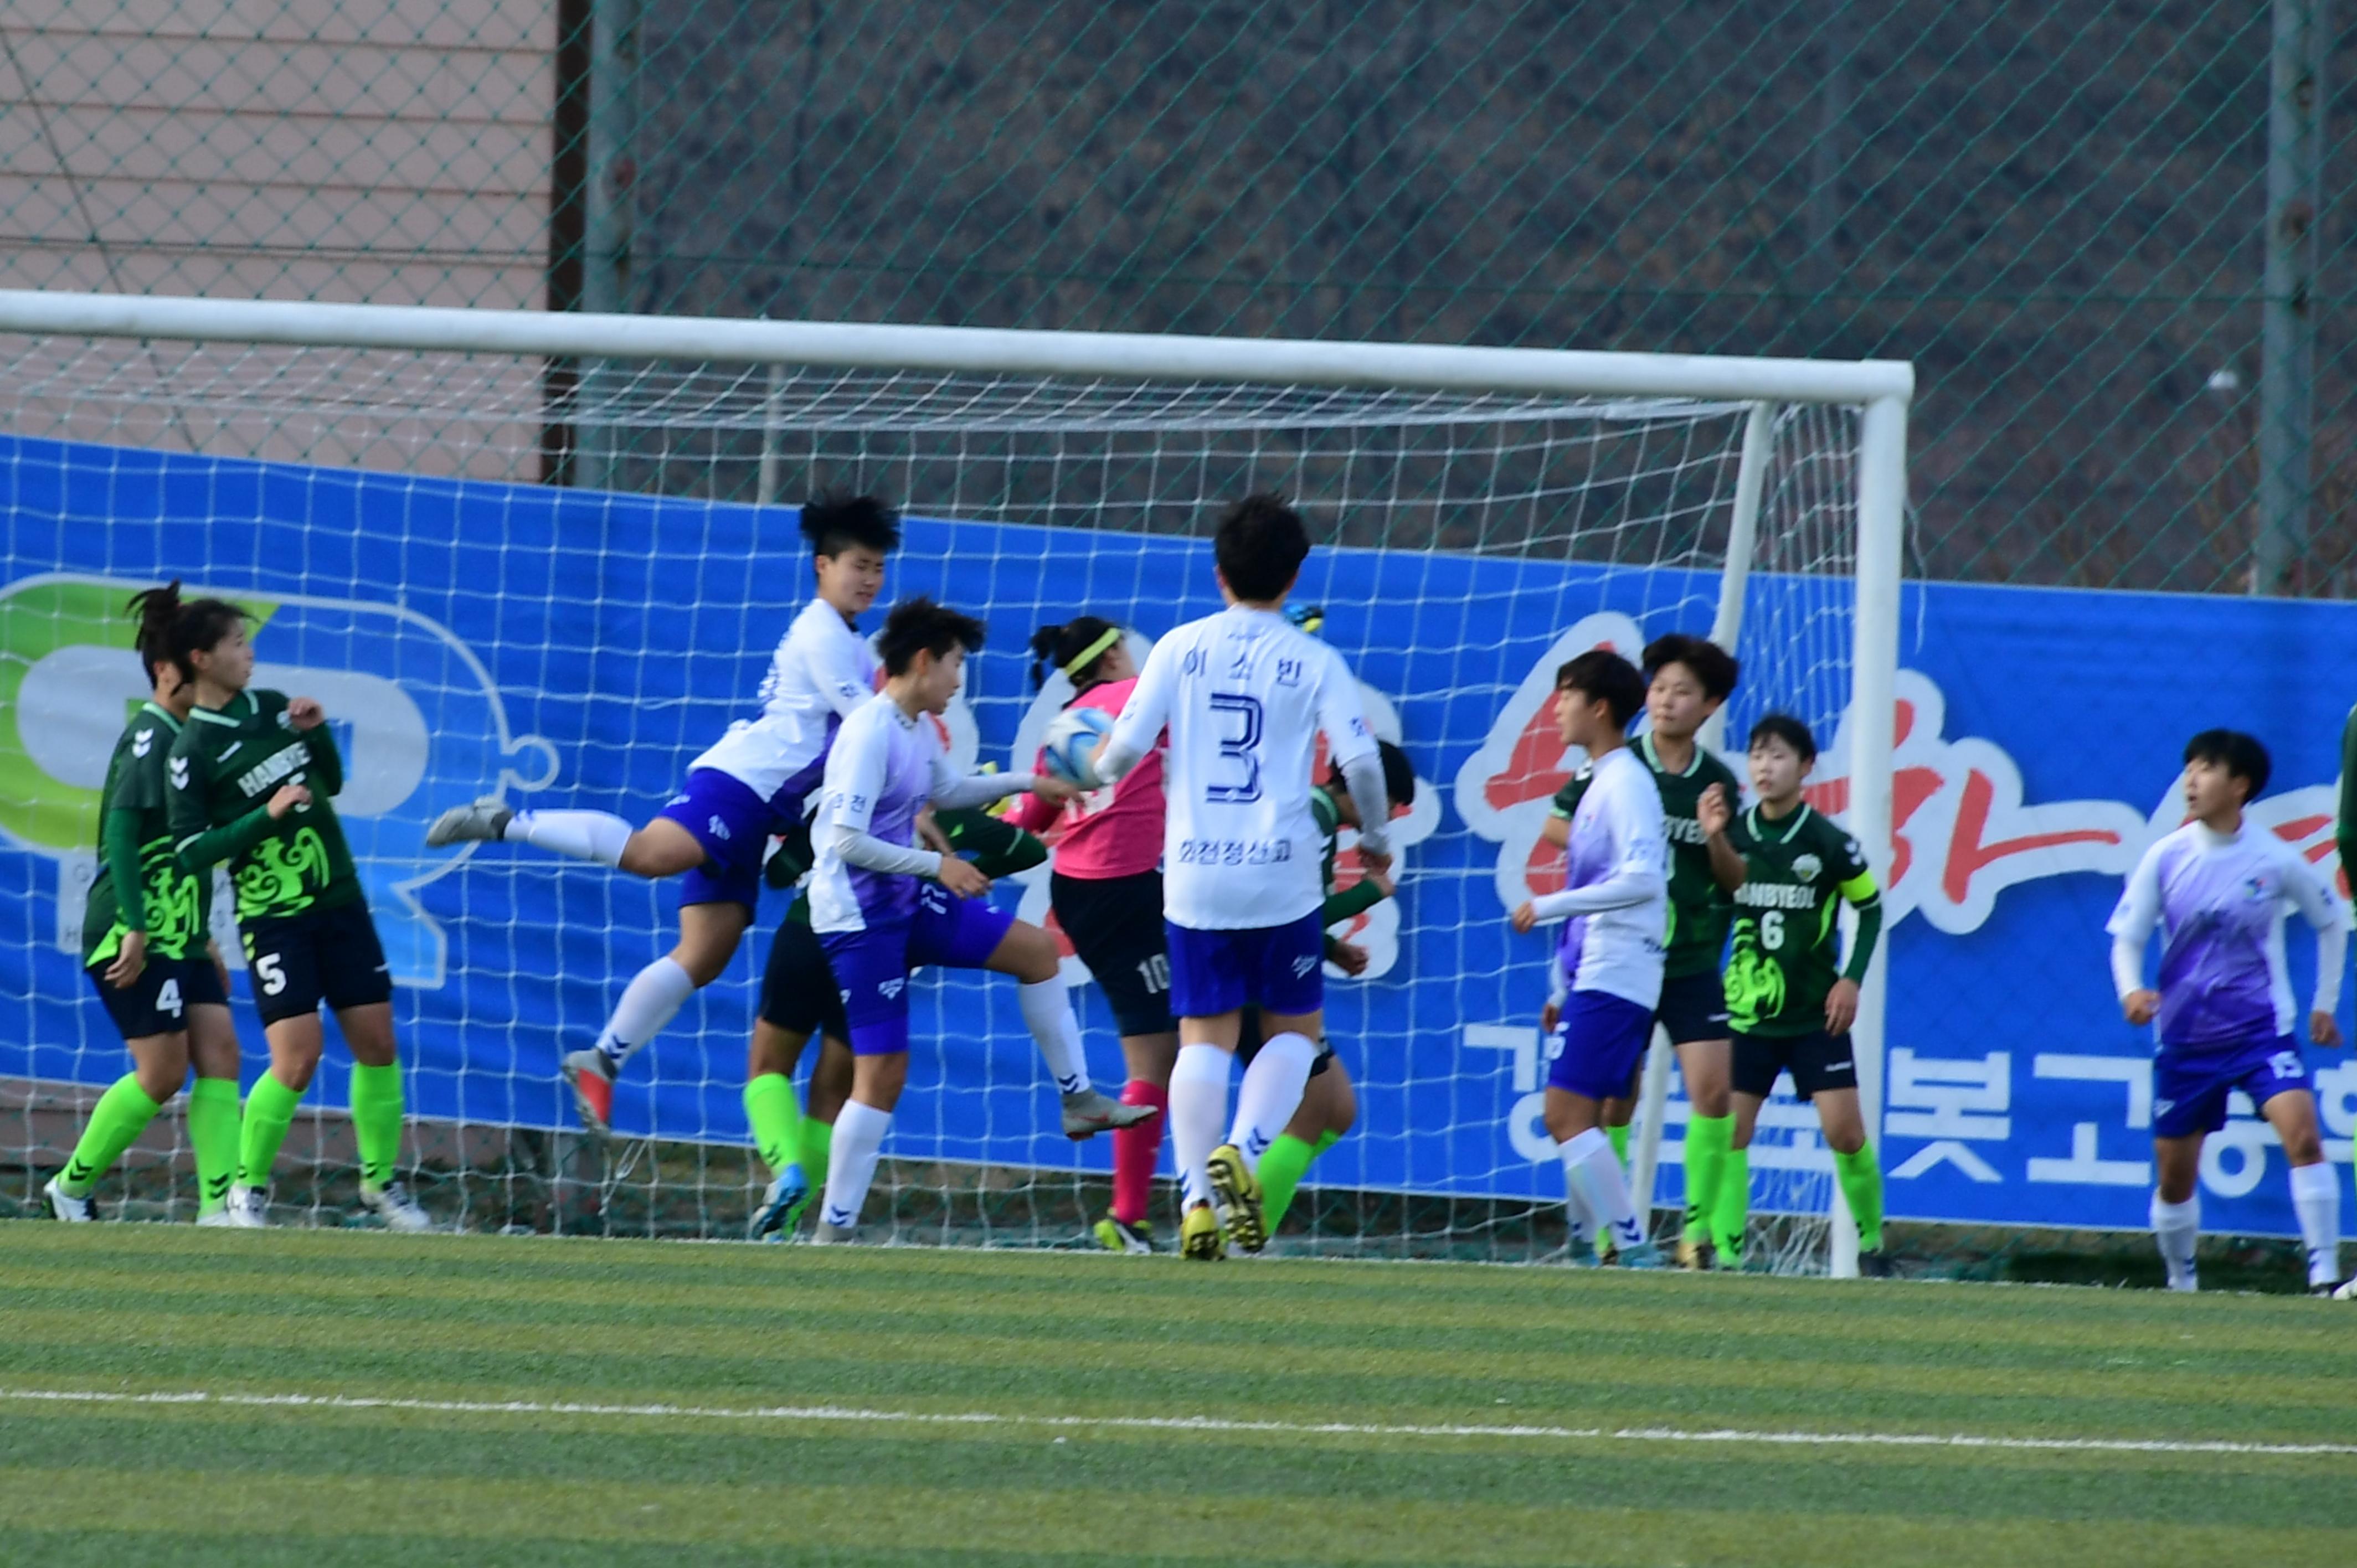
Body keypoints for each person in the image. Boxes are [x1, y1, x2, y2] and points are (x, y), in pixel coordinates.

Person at [426, 493, 900, 1134]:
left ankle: (601, 1058)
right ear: (823, 566)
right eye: (858, 566)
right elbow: (866, 727)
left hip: (766, 812)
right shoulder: (822, 631)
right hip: (740, 783)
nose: (869, 580)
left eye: (877, 568)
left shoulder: (856, 645)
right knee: (653, 855)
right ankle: (507, 821)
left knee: (705, 954)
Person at [1093, 494, 1394, 1261]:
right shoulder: (1315, 658)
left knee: (1201, 1038)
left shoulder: (1178, 646)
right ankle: (1244, 1151)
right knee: (1295, 1035)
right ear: (1294, 576)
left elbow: (1120, 756)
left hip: (1195, 875)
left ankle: (1196, 1199)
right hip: (1282, 876)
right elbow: (1360, 762)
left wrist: (1084, 767)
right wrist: (1379, 843)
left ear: (1219, 571)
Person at [807, 598, 1152, 1241]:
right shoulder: (869, 731)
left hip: (904, 901)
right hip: (860, 920)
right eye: (956, 664)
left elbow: (948, 791)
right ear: (922, 661)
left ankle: (1078, 1100)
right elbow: (846, 842)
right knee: (881, 1074)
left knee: (1036, 953)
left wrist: (1033, 783)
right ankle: (834, 1229)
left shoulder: (911, 727)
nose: (961, 680)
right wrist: (938, 868)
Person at [166, 599, 429, 1230]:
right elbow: (190, 851)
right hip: (272, 916)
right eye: (235, 643)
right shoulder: (192, 749)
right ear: (202, 659)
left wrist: (317, 734)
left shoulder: (271, 707)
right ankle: (246, 1188)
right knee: (298, 1056)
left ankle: (379, 1186)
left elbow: (329, 784)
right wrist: (266, 815)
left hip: (338, 899)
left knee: (378, 1043)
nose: (248, 652)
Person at [2111, 729, 2345, 1294]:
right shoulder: (2164, 857)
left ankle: (2323, 1277)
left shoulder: (2271, 860)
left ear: (2238, 785)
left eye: (2206, 767)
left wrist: (2323, 1005)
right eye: (2188, 766)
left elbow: (2330, 918)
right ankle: (2180, 1280)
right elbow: (2126, 936)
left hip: (2261, 1033)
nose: (2191, 778)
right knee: (2173, 1177)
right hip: (2186, 1040)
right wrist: (2130, 992)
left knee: (2304, 1139)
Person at [744, 807, 1047, 1240]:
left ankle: (786, 1170)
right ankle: (786, 1223)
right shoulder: (950, 818)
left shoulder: (848, 798)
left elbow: (780, 870)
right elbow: (1028, 850)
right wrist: (958, 868)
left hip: (811, 929)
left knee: (767, 1068)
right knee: (832, 1096)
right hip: (875, 951)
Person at [44, 583, 244, 1225]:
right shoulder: (149, 738)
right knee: (162, 1073)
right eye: (233, 646)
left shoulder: (194, 739)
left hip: (179, 932)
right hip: (131, 930)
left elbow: (187, 847)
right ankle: (70, 1189)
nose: (245, 659)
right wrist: (134, 925)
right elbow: (123, 838)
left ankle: (221, 1211)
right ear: (174, 670)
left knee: (221, 1053)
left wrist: (203, 931)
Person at [1543, 633, 1742, 1267]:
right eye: (1657, 688)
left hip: (1685, 959)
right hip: (1620, 954)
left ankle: (1695, 1234)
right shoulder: (1618, 768)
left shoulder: (1716, 783)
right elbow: (1558, 827)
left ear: (1709, 705)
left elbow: (1732, 878)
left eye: (1682, 691)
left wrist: (1711, 837)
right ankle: (1611, 1237)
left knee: (1713, 1093)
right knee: (1606, 1101)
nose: (1665, 700)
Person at [1009, 617, 1177, 1254]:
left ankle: (1143, 1212)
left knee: (1175, 1049)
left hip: (1079, 895)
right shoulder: (1141, 701)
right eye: (1127, 647)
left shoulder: (1062, 726)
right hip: (1128, 893)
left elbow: (1029, 817)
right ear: (1110, 658)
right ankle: (1132, 1217)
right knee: (1162, 1057)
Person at [1699, 714, 1888, 1275]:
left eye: (1778, 756)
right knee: (1733, 1131)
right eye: (1756, 755)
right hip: (1746, 1015)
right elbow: (1714, 911)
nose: (1764, 766)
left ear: (1805, 767)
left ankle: (1873, 1245)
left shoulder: (1827, 842)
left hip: (1812, 1017)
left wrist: (1849, 978)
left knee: (1844, 1132)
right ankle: (1726, 1255)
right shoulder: (1731, 835)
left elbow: (1871, 909)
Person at [1512, 651, 1669, 1268]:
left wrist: (1549, 904)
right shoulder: (1599, 783)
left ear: (1598, 708)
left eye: (1566, 696)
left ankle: (1634, 1250)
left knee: (1564, 1115)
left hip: (1620, 969)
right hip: (1595, 974)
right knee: (1583, 1118)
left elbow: (1643, 879)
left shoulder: (1625, 782)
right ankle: (1582, 1248)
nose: (1556, 709)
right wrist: (1559, 987)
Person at [1240, 740, 1416, 1237]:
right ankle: (1244, 1236)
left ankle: (1247, 1198)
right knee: (1312, 1109)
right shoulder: (1313, 820)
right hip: (1266, 979)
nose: (1391, 818)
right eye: (1391, 804)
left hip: (1268, 968)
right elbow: (1295, 916)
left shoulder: (1312, 813)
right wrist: (1369, 893)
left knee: (1338, 1111)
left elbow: (1283, 911)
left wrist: (1331, 947)